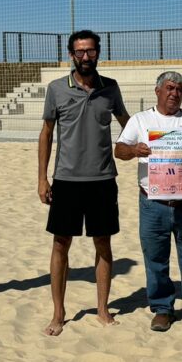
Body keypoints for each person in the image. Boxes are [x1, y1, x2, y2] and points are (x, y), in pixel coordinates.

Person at [37, 30, 130, 337]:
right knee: (61, 243)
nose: (86, 57)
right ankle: (58, 312)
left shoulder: (110, 88)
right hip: (66, 179)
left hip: (103, 179)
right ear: (71, 55)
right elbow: (47, 134)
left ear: (98, 53)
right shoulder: (56, 89)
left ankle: (103, 310)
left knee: (103, 244)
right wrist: (42, 178)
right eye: (80, 52)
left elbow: (127, 125)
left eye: (90, 51)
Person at [115, 71, 182, 333]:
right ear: (158, 90)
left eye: (180, 90)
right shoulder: (141, 120)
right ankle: (162, 309)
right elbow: (119, 150)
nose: (175, 93)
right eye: (170, 88)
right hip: (153, 203)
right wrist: (134, 150)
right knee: (156, 259)